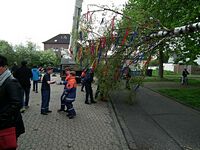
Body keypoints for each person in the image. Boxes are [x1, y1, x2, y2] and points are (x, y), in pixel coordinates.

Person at [0, 55, 25, 149]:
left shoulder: (10, 82)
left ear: (3, 67)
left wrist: (2, 117)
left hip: (9, 125)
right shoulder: (2, 80)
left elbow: (16, 104)